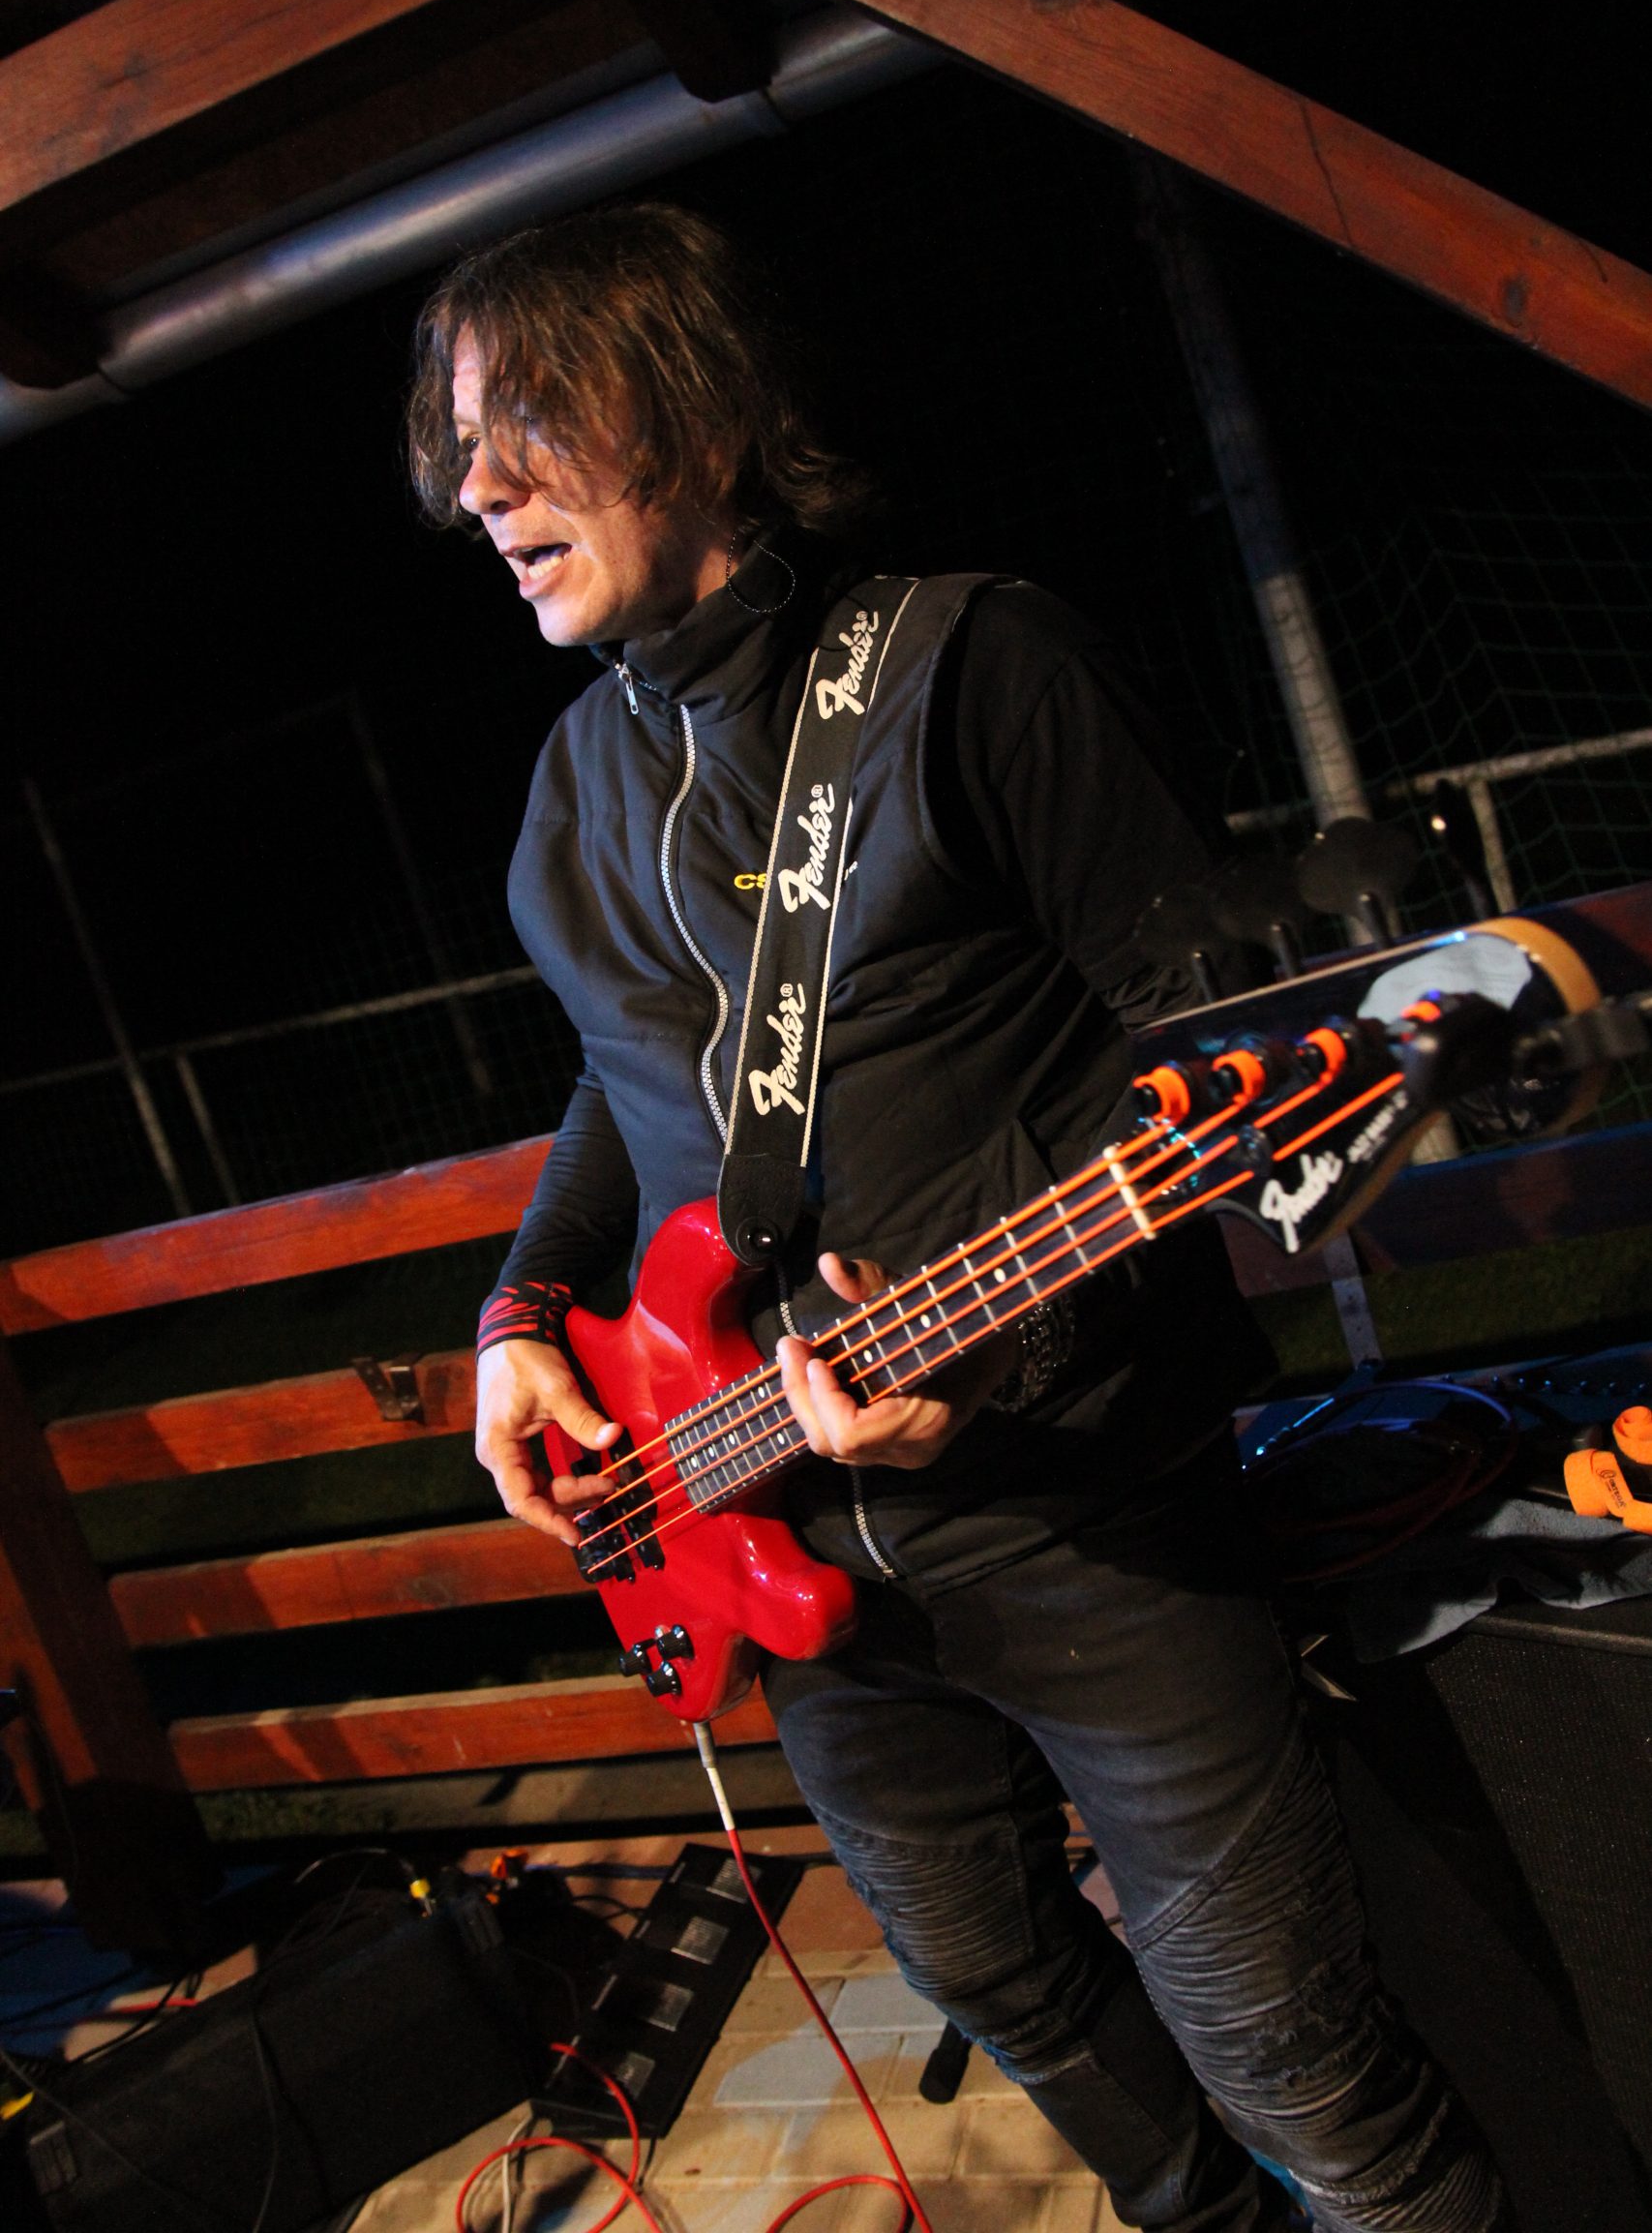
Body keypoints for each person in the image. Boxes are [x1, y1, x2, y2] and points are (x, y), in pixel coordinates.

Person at [406, 200, 1510, 2233]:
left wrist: (1003, 1343)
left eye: (531, 422)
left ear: (698, 414)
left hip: (1087, 1516)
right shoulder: (570, 788)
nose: (477, 487)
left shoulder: (974, 665)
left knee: (1288, 2051)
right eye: (463, 440)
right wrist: (520, 1314)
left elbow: (1197, 1047)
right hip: (772, 1533)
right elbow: (620, 1085)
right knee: (990, 1971)